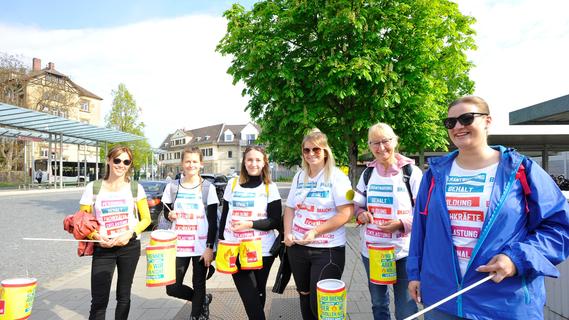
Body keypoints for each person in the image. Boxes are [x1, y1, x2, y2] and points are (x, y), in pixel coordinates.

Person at [407, 96, 569, 320]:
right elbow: (420, 230)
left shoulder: (522, 170)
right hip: (443, 301)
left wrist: (516, 259)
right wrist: (415, 273)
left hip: (503, 303)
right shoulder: (434, 174)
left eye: (466, 118)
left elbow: (559, 229)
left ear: (487, 121)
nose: (458, 127)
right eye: (450, 122)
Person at [283, 129, 354, 320]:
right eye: (307, 150)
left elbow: (347, 212)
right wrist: (287, 233)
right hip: (298, 248)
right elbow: (289, 208)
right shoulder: (299, 176)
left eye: (316, 149)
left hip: (327, 249)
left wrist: (316, 231)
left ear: (325, 152)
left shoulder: (337, 177)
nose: (311, 154)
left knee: (321, 304)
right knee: (304, 296)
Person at [354, 123, 421, 320]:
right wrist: (361, 214)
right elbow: (357, 207)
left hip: (404, 252)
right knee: (379, 304)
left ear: (395, 141)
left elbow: (424, 213)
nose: (381, 147)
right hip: (373, 251)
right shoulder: (368, 174)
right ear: (369, 146)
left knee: (406, 308)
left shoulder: (411, 172)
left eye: (385, 141)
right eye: (375, 143)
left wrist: (401, 223)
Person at [78, 145, 151, 320]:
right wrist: (95, 236)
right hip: (103, 246)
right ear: (109, 160)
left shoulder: (135, 188)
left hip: (129, 246)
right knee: (99, 300)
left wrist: (129, 235)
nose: (121, 165)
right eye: (117, 160)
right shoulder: (93, 187)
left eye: (126, 161)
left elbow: (146, 219)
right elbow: (82, 220)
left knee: (124, 296)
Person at [218, 145, 282, 320]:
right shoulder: (232, 184)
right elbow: (224, 216)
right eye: (249, 159)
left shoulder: (270, 187)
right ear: (244, 162)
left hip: (262, 250)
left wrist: (249, 224)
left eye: (257, 160)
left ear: (264, 163)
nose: (253, 163)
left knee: (258, 294)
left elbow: (274, 221)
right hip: (234, 248)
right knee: (250, 297)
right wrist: (219, 244)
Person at [162, 147, 219, 320]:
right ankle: (202, 301)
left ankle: (196, 315)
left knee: (199, 284)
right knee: (172, 287)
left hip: (200, 246)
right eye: (187, 161)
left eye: (195, 161)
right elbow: (165, 211)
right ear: (182, 164)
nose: (191, 164)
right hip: (178, 246)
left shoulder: (208, 188)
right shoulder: (172, 186)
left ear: (201, 164)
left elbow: (213, 223)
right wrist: (169, 214)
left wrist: (210, 248)